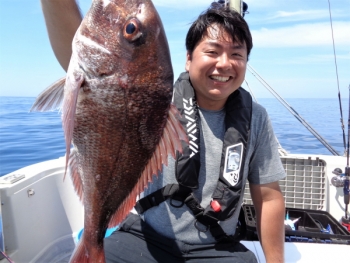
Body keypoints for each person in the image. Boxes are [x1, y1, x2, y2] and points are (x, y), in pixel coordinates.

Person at [40, 1, 286, 262]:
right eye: (212, 52)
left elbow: (269, 197)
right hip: (144, 237)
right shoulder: (155, 102)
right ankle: (94, 242)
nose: (224, 64)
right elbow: (79, 54)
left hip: (218, 246)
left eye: (237, 54)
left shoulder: (255, 118)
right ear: (189, 58)